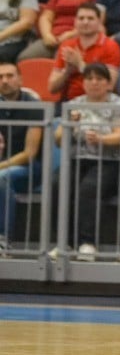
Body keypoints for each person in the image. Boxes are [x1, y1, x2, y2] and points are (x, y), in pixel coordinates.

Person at [50, 62, 120, 262]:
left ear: (108, 84)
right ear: (83, 83)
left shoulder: (118, 104)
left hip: (110, 161)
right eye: (89, 78)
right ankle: (63, 242)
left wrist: (101, 139)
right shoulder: (74, 104)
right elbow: (59, 139)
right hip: (78, 159)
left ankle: (87, 243)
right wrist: (70, 125)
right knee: (57, 183)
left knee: (88, 188)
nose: (94, 83)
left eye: (99, 79)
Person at [0, 61, 43, 247]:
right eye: (0, 77)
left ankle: (3, 238)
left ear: (20, 80)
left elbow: (29, 153)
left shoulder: (33, 106)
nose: (4, 81)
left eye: (10, 76)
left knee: (1, 178)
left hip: (29, 167)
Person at [47, 3, 120, 101]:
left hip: (99, 102)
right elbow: (52, 88)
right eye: (81, 18)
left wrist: (80, 65)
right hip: (69, 102)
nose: (85, 22)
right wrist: (67, 72)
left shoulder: (110, 46)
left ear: (99, 22)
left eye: (90, 18)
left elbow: (110, 85)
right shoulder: (67, 45)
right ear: (75, 22)